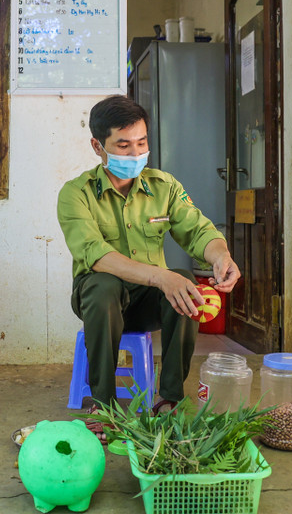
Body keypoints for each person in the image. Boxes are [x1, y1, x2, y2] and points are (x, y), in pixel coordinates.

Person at [56, 95, 240, 438]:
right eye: (123, 145)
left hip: (150, 300)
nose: (135, 153)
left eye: (141, 143)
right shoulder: (76, 194)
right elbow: (96, 255)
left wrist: (220, 257)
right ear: (97, 146)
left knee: (185, 283)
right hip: (98, 302)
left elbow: (199, 230)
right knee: (103, 284)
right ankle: (104, 405)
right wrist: (161, 276)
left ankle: (169, 397)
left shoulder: (164, 186)